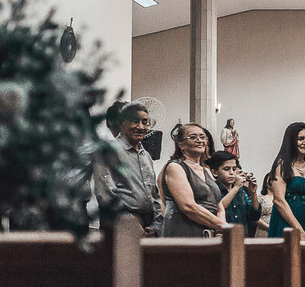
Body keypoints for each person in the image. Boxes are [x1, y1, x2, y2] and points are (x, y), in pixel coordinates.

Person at [93, 101, 162, 237]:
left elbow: (154, 195)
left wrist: (157, 226)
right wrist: (133, 225)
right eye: (135, 121)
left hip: (148, 225)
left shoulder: (146, 156)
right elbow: (106, 194)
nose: (141, 127)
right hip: (119, 224)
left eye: (145, 122)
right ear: (121, 123)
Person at [161, 123, 225, 237]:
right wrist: (222, 225)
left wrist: (220, 229)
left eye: (202, 137)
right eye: (193, 137)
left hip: (210, 231)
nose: (199, 140)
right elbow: (188, 206)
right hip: (185, 230)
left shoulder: (207, 170)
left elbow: (219, 207)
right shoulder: (175, 167)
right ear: (181, 145)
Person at [265, 122, 305, 239]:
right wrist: (299, 231)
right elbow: (279, 200)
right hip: (286, 223)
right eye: (301, 139)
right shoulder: (282, 164)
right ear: (291, 141)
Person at [209, 150, 261, 237]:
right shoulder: (212, 189)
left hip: (242, 238)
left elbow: (254, 216)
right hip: (222, 238)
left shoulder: (241, 190)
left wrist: (253, 193)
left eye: (234, 169)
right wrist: (236, 187)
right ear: (215, 172)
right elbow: (217, 209)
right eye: (226, 169)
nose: (231, 173)